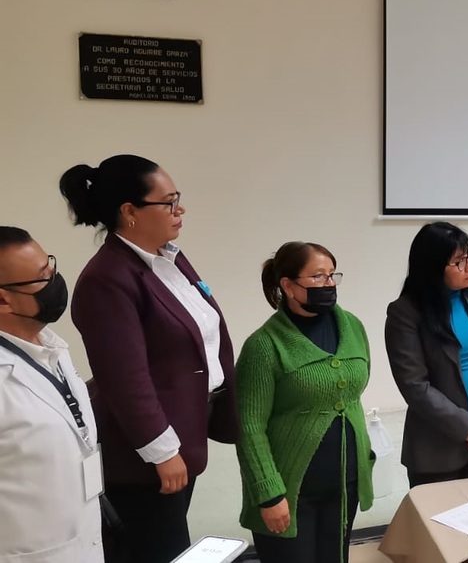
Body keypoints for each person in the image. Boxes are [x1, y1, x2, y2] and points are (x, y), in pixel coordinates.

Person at [60, 154, 238, 563]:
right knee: (158, 550)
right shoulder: (107, 278)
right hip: (143, 454)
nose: (180, 210)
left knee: (169, 543)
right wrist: (162, 451)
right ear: (130, 212)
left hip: (185, 431)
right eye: (169, 202)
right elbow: (125, 378)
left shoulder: (168, 259)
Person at [236, 241, 374, 563]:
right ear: (288, 285)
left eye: (332, 275)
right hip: (289, 492)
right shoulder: (264, 345)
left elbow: (352, 395)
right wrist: (268, 493)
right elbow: (249, 426)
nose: (329, 284)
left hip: (344, 485)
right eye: (318, 277)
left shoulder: (353, 327)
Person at [0, 227, 103, 562]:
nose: (55, 282)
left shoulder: (51, 348)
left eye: (51, 267)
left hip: (81, 539)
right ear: (3, 300)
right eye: (43, 278)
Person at [386, 223, 468, 485]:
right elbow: (415, 386)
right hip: (436, 449)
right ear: (432, 267)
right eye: (459, 262)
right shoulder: (405, 313)